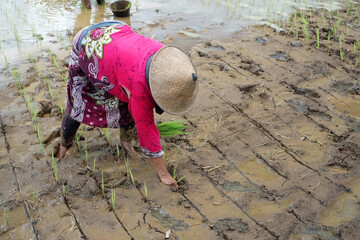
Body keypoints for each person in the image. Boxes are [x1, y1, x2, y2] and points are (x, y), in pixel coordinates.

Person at [56, 21, 199, 187]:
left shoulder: (162, 56)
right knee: (79, 104)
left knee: (126, 101)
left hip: (116, 35)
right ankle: (63, 147)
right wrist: (164, 173)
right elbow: (147, 131)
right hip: (88, 44)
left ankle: (126, 143)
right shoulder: (140, 87)